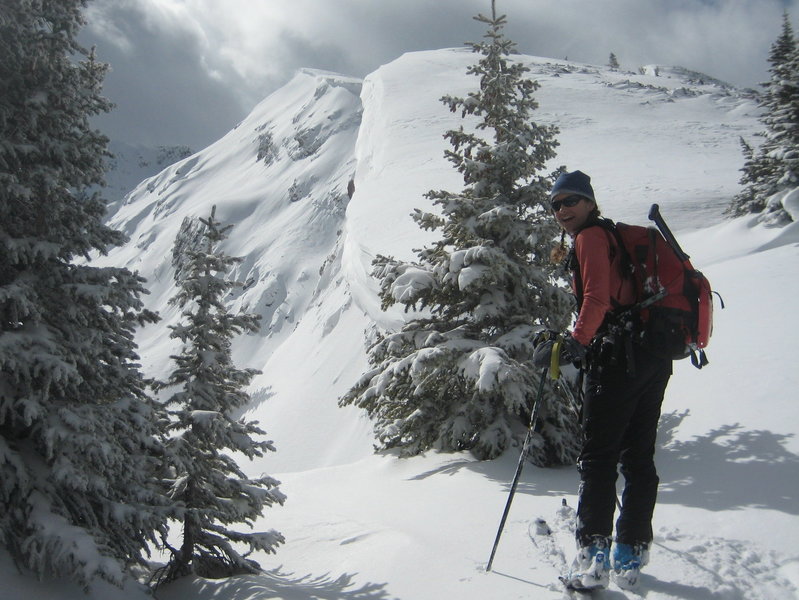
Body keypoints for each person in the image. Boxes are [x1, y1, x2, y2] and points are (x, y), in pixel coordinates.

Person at [534, 170, 673, 591]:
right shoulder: (609, 235)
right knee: (638, 456)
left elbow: (596, 297)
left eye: (571, 200)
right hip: (651, 356)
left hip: (616, 359)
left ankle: (594, 558)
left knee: (597, 459)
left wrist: (576, 343)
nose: (563, 210)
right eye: (556, 204)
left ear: (590, 202)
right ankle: (631, 553)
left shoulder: (591, 237)